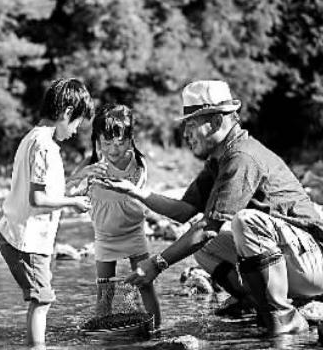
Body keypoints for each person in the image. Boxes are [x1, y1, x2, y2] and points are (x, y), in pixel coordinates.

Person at [103, 79, 323, 336]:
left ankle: (282, 315)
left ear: (217, 122)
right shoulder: (220, 159)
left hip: (313, 262)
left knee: (244, 221)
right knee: (204, 246)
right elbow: (185, 210)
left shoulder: (242, 157)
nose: (185, 134)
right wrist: (135, 191)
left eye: (191, 125)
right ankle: (256, 302)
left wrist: (157, 264)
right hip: (293, 263)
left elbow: (208, 227)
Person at [0, 78, 94, 348]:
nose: (75, 132)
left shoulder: (33, 138)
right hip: (25, 239)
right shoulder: (45, 146)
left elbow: (46, 190)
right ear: (66, 113)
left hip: (20, 233)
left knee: (42, 297)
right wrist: (72, 204)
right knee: (43, 299)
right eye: (76, 124)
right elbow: (37, 198)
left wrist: (74, 185)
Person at [67, 103, 161, 327]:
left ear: (130, 139)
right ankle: (103, 330)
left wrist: (119, 184)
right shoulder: (92, 165)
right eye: (107, 143)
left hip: (133, 232)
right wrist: (81, 180)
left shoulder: (137, 163)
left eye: (120, 143)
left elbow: (135, 188)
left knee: (144, 283)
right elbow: (68, 190)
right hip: (104, 236)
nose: (113, 150)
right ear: (97, 142)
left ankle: (155, 327)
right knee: (105, 290)